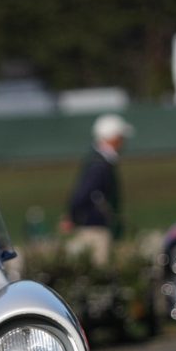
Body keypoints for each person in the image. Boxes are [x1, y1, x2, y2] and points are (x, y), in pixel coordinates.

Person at [62, 113, 133, 263]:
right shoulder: (99, 165)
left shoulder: (101, 161)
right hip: (96, 229)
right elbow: (82, 194)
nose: (123, 142)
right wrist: (73, 216)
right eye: (120, 137)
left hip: (98, 226)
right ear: (112, 137)